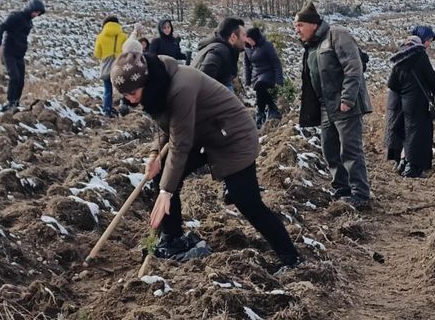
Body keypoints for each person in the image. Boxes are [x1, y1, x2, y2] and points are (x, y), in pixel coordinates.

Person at [109, 49, 301, 268]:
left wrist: (166, 191)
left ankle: (291, 258)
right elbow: (165, 125)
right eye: (126, 96)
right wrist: (154, 155)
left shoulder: (180, 86)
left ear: (145, 80)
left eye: (133, 93)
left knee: (246, 200)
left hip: (234, 138)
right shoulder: (157, 86)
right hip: (207, 135)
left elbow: (180, 143)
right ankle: (173, 239)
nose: (131, 99)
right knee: (162, 172)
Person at [293, 1, 372, 208]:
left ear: (313, 24)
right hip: (326, 107)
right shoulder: (312, 46)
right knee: (330, 149)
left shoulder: (336, 35)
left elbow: (353, 68)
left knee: (350, 150)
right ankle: (342, 189)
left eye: (300, 26)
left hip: (345, 105)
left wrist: (347, 99)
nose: (297, 30)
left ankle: (361, 195)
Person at [385, 36, 435, 178]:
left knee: (407, 132)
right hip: (420, 102)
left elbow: (392, 83)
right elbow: (430, 78)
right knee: (419, 134)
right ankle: (413, 168)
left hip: (404, 102)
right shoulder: (420, 56)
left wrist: (405, 90)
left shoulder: (399, 59)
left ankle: (403, 163)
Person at [0, 0, 45, 112]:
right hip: (9, 52)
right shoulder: (16, 16)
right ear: (30, 8)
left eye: (38, 13)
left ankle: (16, 102)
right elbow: (2, 27)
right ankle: (11, 102)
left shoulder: (29, 21)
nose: (36, 15)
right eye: (35, 12)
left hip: (20, 54)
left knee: (21, 80)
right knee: (14, 77)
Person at [243, 27, 284, 128]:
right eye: (248, 41)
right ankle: (267, 111)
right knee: (260, 91)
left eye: (251, 40)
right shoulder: (247, 48)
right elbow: (246, 65)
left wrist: (279, 79)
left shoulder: (267, 45)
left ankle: (261, 113)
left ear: (255, 38)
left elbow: (276, 62)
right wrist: (247, 80)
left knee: (260, 85)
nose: (249, 42)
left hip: (268, 73)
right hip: (255, 75)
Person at [192, 18, 246, 91]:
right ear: (233, 37)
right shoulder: (219, 51)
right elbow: (204, 77)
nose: (246, 39)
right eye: (244, 35)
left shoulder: (226, 48)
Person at [94, 16, 127, 117]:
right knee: (123, 88)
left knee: (108, 89)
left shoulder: (100, 36)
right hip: (119, 66)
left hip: (106, 67)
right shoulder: (123, 36)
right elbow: (127, 50)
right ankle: (124, 107)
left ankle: (107, 110)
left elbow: (97, 54)